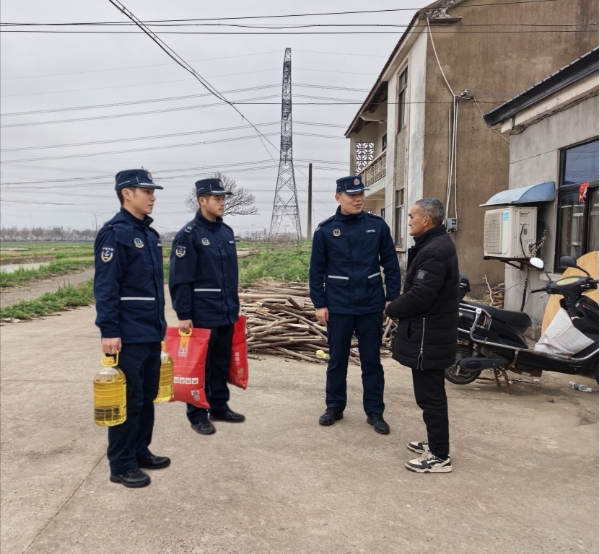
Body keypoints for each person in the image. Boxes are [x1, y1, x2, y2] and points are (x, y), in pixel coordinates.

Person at [94, 169, 169, 489]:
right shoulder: (115, 234)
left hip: (150, 330)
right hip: (127, 333)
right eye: (146, 191)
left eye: (153, 192)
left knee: (147, 395)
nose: (153, 197)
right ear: (127, 193)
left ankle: (140, 451)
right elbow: (106, 287)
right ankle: (121, 464)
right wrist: (109, 330)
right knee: (129, 398)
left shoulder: (149, 235)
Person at [309, 175, 401, 434]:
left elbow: (391, 265)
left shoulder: (377, 226)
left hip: (370, 304)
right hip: (338, 305)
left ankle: (375, 411)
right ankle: (334, 407)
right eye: (352, 195)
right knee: (337, 360)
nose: (358, 199)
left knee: (371, 361)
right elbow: (316, 271)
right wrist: (319, 303)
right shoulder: (325, 230)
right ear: (338, 197)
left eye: (361, 194)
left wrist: (392, 297)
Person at [385, 198, 459, 473]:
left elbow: (421, 295)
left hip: (429, 336)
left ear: (426, 219)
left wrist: (392, 308)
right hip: (431, 332)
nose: (409, 221)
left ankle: (439, 456)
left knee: (430, 396)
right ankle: (435, 443)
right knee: (430, 393)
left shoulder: (434, 250)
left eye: (412, 216)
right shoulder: (434, 245)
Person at [169, 178, 244, 436]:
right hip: (202, 312)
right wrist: (184, 314)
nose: (222, 203)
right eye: (217, 198)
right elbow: (180, 278)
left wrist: (233, 307)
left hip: (226, 311)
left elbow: (230, 275)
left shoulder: (226, 233)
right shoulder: (188, 235)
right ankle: (197, 414)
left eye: (223, 198)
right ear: (202, 200)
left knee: (221, 363)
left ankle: (219, 406)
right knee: (199, 366)